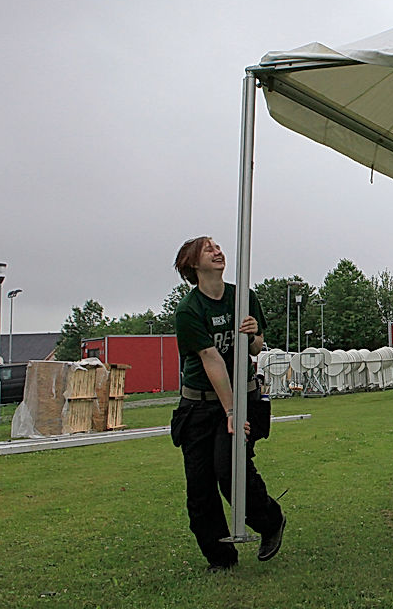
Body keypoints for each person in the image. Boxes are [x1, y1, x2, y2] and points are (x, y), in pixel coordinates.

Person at [171, 236, 285, 573]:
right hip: (199, 405)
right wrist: (230, 411)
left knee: (230, 471)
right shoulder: (189, 310)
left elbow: (256, 347)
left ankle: (270, 521)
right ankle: (220, 559)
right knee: (200, 486)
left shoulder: (243, 297)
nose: (218, 251)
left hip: (241, 394)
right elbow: (211, 360)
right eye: (209, 249)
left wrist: (252, 334)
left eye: (218, 247)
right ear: (193, 264)